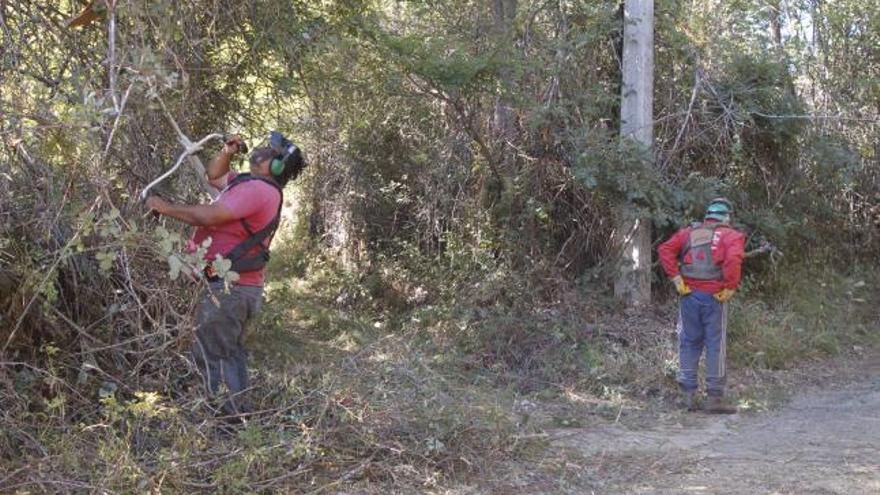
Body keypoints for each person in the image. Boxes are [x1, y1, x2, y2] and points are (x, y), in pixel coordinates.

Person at [146, 131, 306, 416]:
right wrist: (227, 152)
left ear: (278, 166)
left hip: (232, 289)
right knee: (226, 352)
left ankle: (224, 423)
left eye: (272, 152)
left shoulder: (260, 191)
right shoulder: (248, 183)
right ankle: (234, 415)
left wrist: (164, 208)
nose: (263, 150)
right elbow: (213, 177)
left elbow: (208, 216)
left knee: (213, 353)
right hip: (227, 281)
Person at [658, 198, 745, 414]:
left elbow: (665, 250)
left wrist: (677, 279)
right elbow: (733, 260)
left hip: (688, 295)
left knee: (688, 342)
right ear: (727, 217)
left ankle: (687, 396)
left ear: (707, 216)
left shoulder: (688, 233)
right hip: (715, 297)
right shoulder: (731, 236)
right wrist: (731, 287)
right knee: (715, 344)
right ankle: (714, 399)